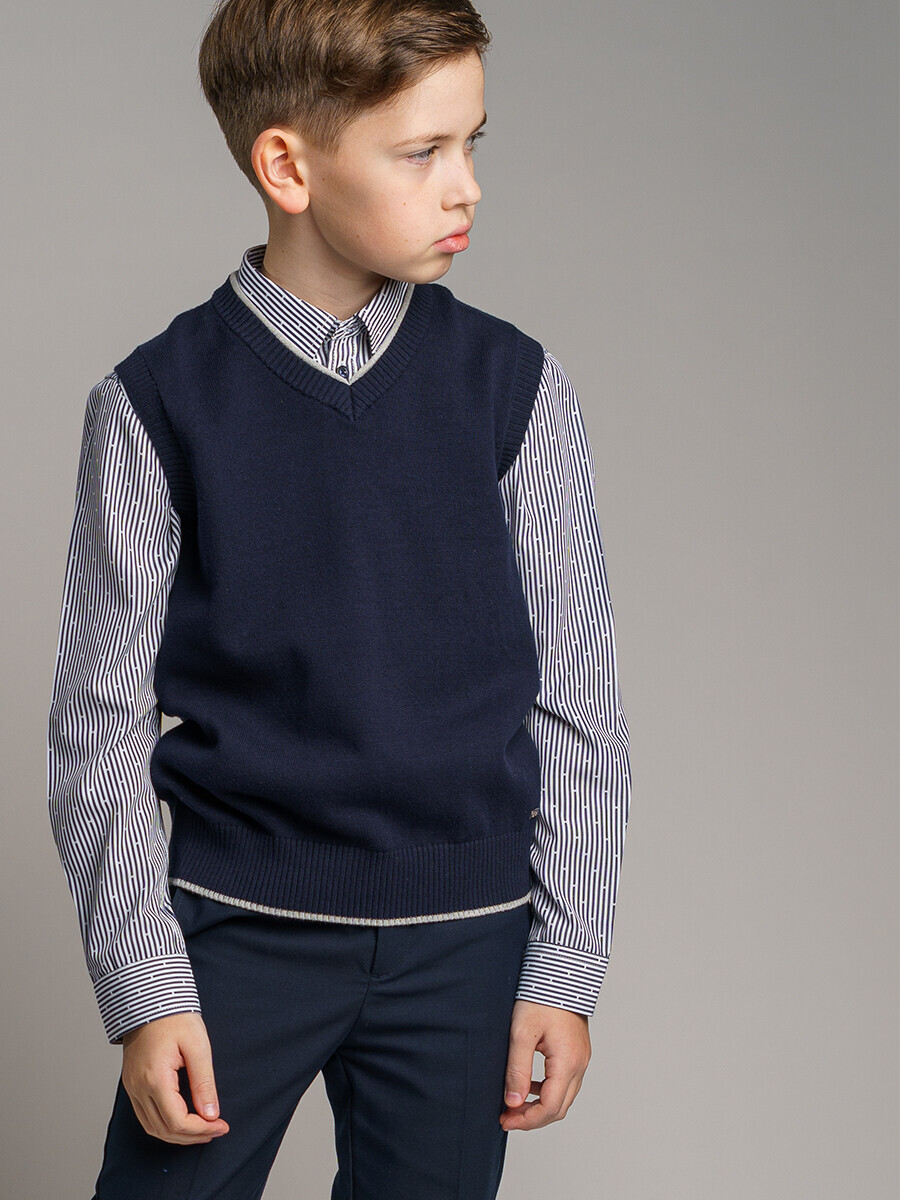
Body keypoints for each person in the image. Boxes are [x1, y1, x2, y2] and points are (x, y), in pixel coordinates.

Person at [46, 1, 632, 1196]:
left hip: (468, 945)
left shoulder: (518, 389)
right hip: (232, 935)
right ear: (287, 166)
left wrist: (564, 963)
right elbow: (97, 723)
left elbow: (579, 701)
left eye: (472, 143)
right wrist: (144, 987)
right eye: (423, 153)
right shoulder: (155, 405)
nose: (467, 186)